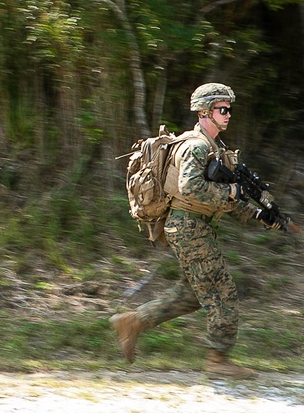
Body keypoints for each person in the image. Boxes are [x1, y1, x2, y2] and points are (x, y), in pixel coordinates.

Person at [110, 82, 282, 378]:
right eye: (222, 109)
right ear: (204, 112)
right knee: (222, 291)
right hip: (188, 226)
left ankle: (133, 322)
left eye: (229, 109)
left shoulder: (215, 147)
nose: (228, 115)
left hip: (193, 226)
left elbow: (225, 197)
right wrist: (228, 192)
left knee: (190, 294)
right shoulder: (196, 146)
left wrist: (256, 213)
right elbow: (191, 189)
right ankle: (218, 360)